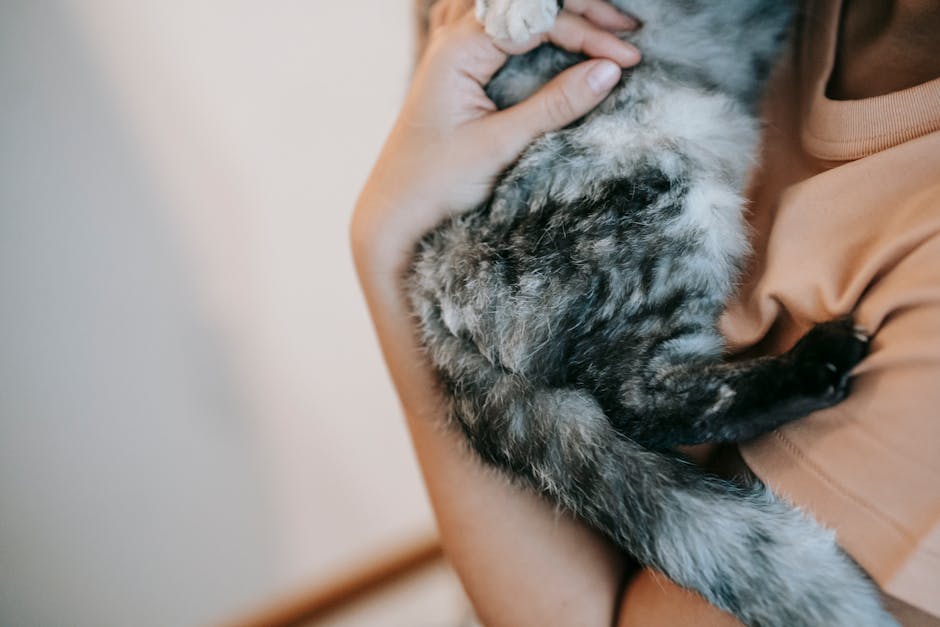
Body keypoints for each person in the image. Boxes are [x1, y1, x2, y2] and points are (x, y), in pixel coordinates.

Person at [350, 0, 940, 624]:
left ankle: (660, 389)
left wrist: (389, 238)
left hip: (535, 562)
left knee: (666, 171)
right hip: (513, 289)